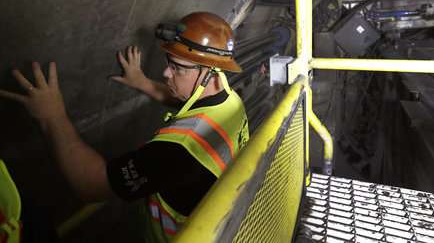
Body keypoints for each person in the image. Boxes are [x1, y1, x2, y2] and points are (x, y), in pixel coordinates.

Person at [0, 12, 249, 242]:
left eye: (177, 68)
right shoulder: (229, 99)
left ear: (210, 74)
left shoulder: (181, 150)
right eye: (169, 63)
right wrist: (142, 82)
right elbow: (190, 101)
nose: (165, 73)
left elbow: (91, 185)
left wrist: (52, 115)